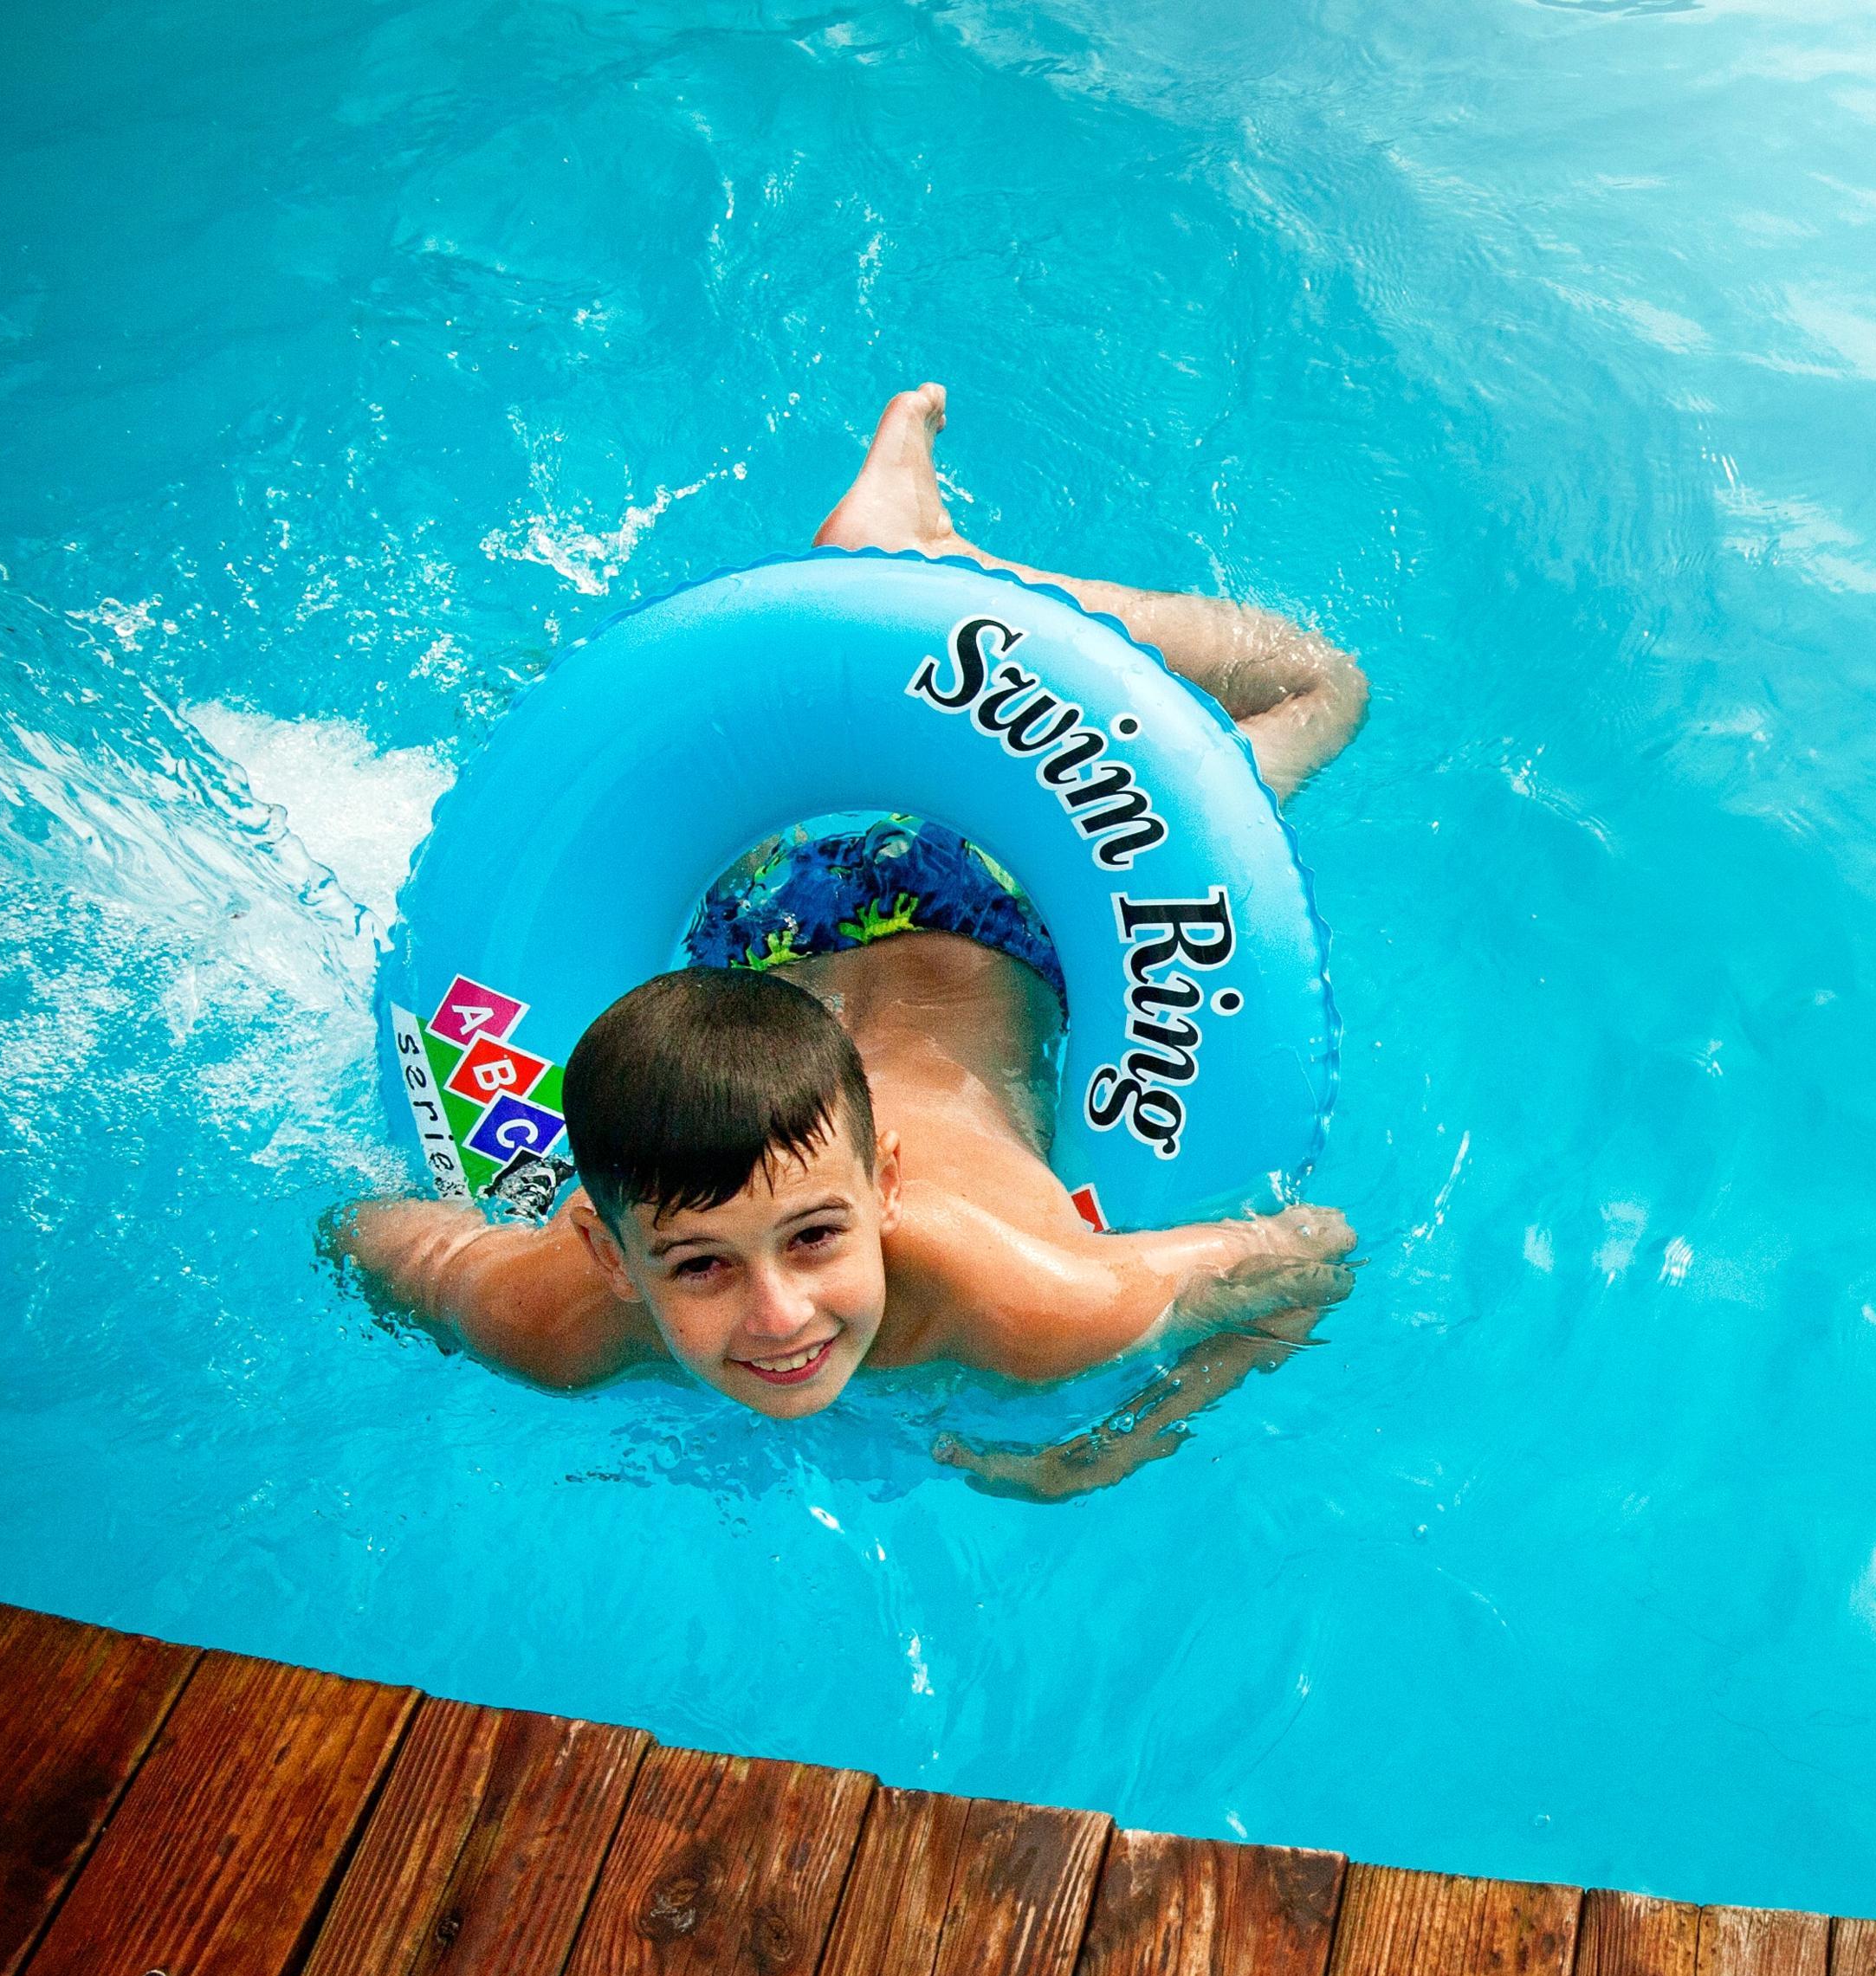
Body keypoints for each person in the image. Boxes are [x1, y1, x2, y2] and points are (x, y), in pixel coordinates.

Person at [329, 386, 1365, 1501]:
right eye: (699, 1264)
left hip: (993, 911)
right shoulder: (549, 1317)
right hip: (761, 937)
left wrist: (1111, 1447)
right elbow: (366, 1235)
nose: (780, 1317)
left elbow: (1314, 1256)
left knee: (1324, 688)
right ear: (604, 1254)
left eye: (816, 1237)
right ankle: (889, 575)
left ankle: (953, 579)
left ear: (884, 1186)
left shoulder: (1040, 1300)